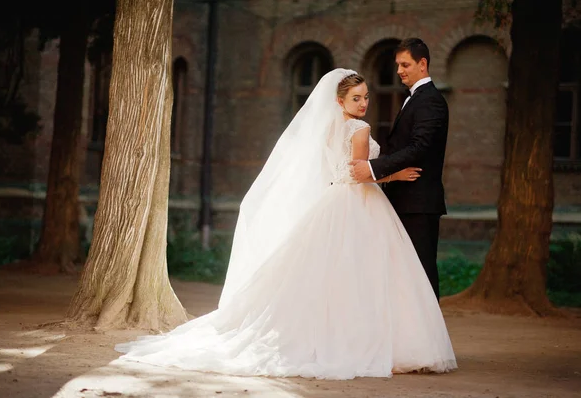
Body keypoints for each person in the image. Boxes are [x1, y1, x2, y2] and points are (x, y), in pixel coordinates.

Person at [115, 68, 457, 380]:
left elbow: (338, 170)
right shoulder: (359, 128)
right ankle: (369, 341)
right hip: (358, 203)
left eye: (366, 97)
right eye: (356, 98)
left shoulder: (327, 127)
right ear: (339, 101)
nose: (364, 103)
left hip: (332, 202)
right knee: (365, 273)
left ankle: (334, 336)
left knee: (332, 275)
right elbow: (356, 173)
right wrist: (394, 173)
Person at [350, 37, 449, 301]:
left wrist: (373, 168)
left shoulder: (431, 101)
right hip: (403, 199)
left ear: (423, 64)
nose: (399, 71)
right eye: (397, 65)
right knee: (404, 273)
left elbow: (419, 148)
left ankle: (430, 337)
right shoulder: (415, 99)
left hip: (418, 202)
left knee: (422, 273)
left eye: (405, 64)